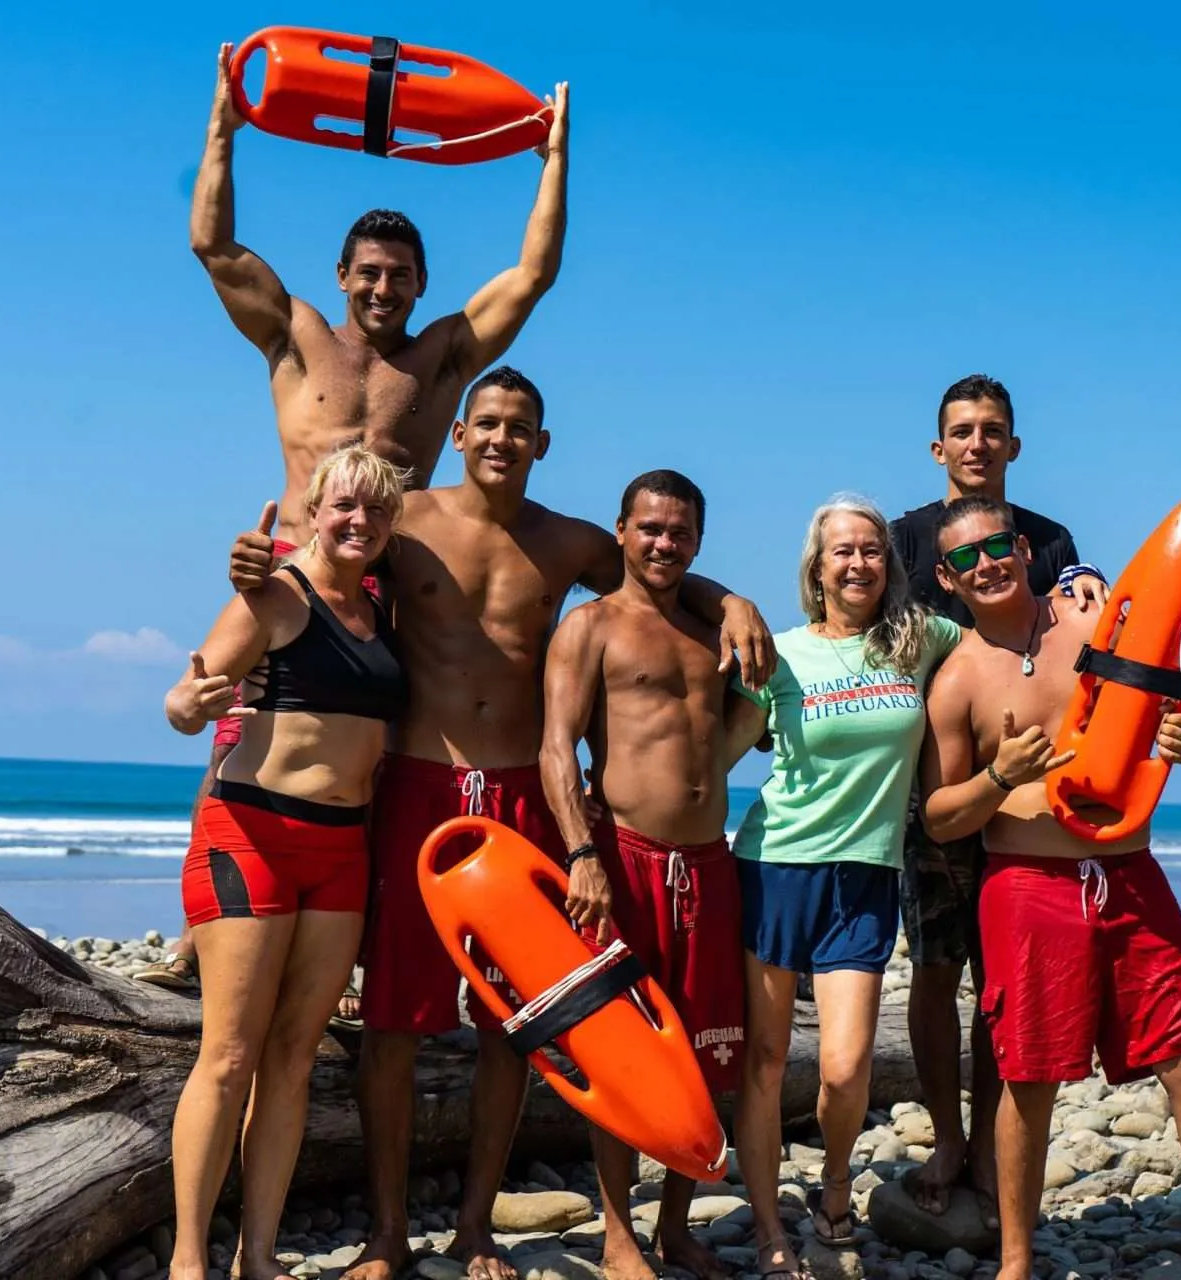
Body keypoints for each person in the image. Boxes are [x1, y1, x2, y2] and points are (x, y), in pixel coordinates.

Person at [230, 371, 773, 1280]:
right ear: (459, 434)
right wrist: (256, 581)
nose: (501, 439)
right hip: (420, 785)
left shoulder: (568, 541)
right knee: (394, 1022)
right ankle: (389, 1231)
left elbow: (654, 569)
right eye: (486, 423)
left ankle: (476, 1225)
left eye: (519, 428)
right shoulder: (406, 525)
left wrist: (732, 603)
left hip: (522, 796)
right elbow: (322, 574)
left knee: (512, 1024)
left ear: (542, 444)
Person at [136, 47, 573, 994]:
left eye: (401, 276)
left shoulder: (441, 360)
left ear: (421, 284)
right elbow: (213, 245)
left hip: (394, 576)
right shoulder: (295, 338)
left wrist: (551, 160)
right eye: (370, 273)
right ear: (341, 274)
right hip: (298, 566)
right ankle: (200, 934)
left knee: (375, 753)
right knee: (239, 724)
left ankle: (350, 940)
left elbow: (533, 275)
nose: (383, 289)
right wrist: (224, 128)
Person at [918, 496, 1181, 1280]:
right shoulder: (956, 681)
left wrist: (1180, 736)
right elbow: (942, 816)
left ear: (1025, 549)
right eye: (964, 558)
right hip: (1028, 887)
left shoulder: (1093, 622)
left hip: (1129, 874)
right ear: (947, 580)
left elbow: (1159, 711)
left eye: (997, 546)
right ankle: (1016, 1264)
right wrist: (1000, 777)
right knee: (1028, 1081)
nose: (986, 564)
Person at [164, 445, 409, 1280]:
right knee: (230, 1055)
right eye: (345, 505)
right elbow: (185, 697)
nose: (360, 520)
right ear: (312, 511)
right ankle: (189, 1261)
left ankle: (258, 1256)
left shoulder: (378, 609)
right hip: (252, 837)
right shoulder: (273, 594)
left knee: (294, 1058)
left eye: (377, 509)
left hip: (340, 852)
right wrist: (189, 705)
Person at [725, 496, 965, 1280]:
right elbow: (714, 758)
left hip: (866, 876)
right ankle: (770, 1228)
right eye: (843, 551)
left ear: (887, 565)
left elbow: (1007, 644)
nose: (858, 563)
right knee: (765, 1063)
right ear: (817, 568)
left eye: (871, 550)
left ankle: (833, 1189)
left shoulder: (921, 640)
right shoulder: (781, 656)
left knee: (844, 1068)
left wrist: (1078, 586)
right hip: (774, 866)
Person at [887, 373, 1106, 1215]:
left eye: (991, 430)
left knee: (1002, 985)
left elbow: (1087, 639)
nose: (976, 444)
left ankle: (990, 1147)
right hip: (935, 791)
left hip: (1029, 805)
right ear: (937, 448)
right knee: (937, 971)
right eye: (962, 431)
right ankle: (947, 1137)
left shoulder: (1050, 541)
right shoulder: (904, 540)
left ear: (1013, 445)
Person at [540, 470, 750, 1280]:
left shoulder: (712, 632)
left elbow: (752, 715)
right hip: (623, 859)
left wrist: (737, 604)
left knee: (704, 1051)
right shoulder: (590, 626)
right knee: (623, 1051)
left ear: (699, 541)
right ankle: (618, 1233)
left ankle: (676, 1227)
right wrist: (581, 854)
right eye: (651, 528)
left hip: (709, 862)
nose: (664, 543)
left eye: (680, 531)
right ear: (621, 531)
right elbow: (556, 747)